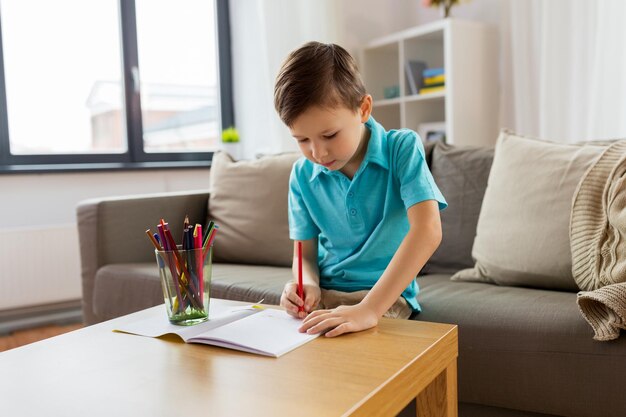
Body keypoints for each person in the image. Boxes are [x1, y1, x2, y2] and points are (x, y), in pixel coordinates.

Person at [274, 41, 447, 338]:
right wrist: (306, 285)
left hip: (383, 298)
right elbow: (304, 254)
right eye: (302, 139)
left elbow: (428, 230)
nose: (317, 152)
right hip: (326, 296)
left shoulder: (401, 149)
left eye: (329, 134)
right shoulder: (302, 175)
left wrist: (368, 309)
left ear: (363, 109)